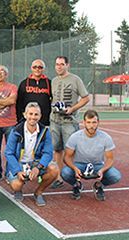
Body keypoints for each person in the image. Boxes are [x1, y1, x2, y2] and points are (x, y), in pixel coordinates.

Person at [61, 110, 121, 201]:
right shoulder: (75, 137)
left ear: (98, 123)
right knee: (65, 172)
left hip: (97, 165)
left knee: (116, 176)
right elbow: (67, 157)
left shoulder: (106, 137)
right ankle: (77, 185)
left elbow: (110, 159)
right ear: (84, 122)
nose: (91, 125)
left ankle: (99, 186)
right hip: (79, 165)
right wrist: (74, 168)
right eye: (88, 122)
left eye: (94, 122)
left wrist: (102, 170)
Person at [5, 102, 57, 206]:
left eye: (36, 114)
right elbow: (8, 153)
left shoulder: (45, 131)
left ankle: (38, 192)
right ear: (25, 115)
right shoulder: (16, 131)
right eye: (30, 114)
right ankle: (18, 190)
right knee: (16, 185)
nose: (33, 117)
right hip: (19, 163)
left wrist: (38, 167)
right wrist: (17, 170)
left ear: (40, 116)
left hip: (35, 162)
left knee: (54, 170)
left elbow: (48, 153)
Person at [50, 56, 90, 189]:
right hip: (55, 121)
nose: (59, 67)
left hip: (69, 122)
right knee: (57, 149)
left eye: (62, 64)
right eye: (57, 64)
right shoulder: (54, 81)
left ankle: (76, 180)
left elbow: (85, 98)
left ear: (68, 65)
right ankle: (59, 177)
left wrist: (72, 109)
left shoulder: (75, 79)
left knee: (71, 151)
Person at [16, 59, 52, 126]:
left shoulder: (49, 83)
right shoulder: (24, 83)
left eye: (40, 67)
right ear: (31, 68)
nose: (37, 69)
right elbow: (19, 102)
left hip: (45, 120)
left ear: (43, 69)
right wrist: (20, 118)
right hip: (28, 120)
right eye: (34, 67)